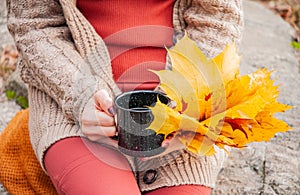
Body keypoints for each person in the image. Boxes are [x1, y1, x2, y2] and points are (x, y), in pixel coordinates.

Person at [6, 0, 243, 194]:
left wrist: (183, 100)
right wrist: (82, 95)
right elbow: (35, 26)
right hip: (74, 95)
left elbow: (217, 21)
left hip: (184, 108)